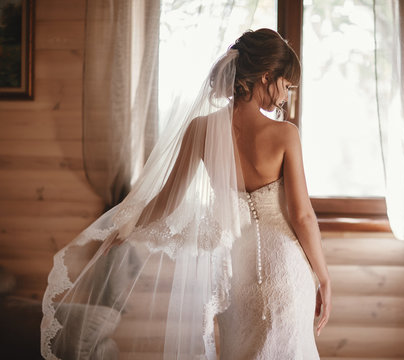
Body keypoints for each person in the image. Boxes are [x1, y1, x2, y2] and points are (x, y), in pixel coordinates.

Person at [41, 28, 331, 360]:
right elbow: (302, 216)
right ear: (266, 77)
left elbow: (167, 199)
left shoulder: (200, 130)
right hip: (286, 270)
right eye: (286, 84)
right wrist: (322, 276)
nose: (286, 95)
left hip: (233, 276)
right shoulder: (285, 135)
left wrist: (126, 228)